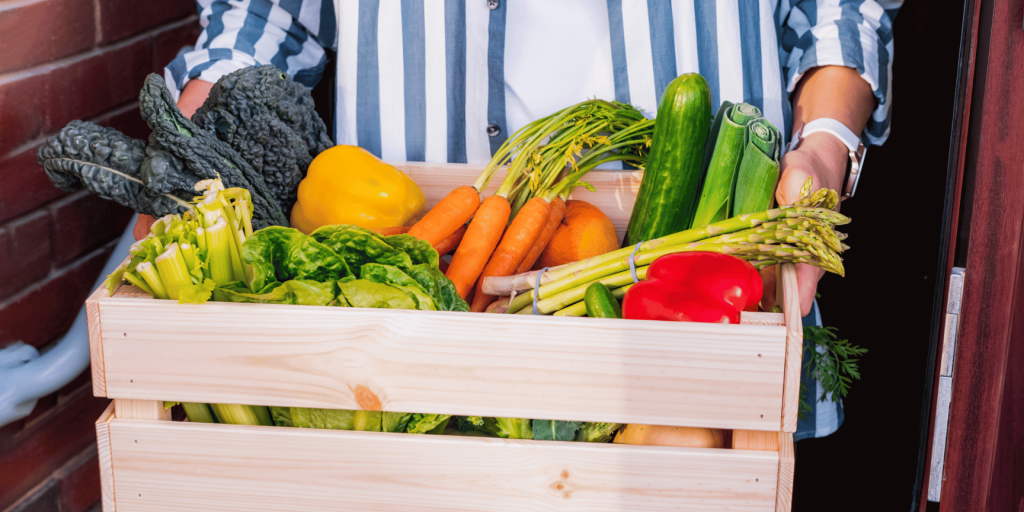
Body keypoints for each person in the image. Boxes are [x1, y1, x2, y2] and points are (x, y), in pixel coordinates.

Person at [137, 0, 900, 441]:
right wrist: (194, 144)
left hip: (694, 267)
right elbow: (264, 20)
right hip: (414, 302)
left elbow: (836, 9)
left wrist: (827, 149)